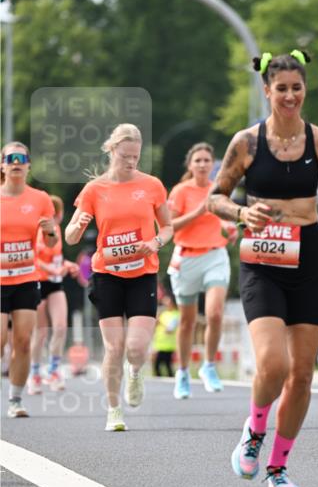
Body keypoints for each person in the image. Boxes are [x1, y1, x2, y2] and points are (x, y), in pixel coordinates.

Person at [208, 49, 318, 487]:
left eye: (297, 88)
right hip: (262, 263)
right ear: (267, 90)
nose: (291, 96)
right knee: (273, 364)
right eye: (282, 89)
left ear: (304, 90)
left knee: (302, 375)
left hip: (309, 260)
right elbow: (214, 198)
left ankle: (278, 467)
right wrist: (240, 211)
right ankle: (254, 431)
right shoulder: (247, 143)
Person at [65, 124, 173, 431]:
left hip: (142, 274)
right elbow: (70, 236)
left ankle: (135, 372)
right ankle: (114, 410)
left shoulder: (151, 185)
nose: (131, 162)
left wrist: (155, 243)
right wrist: (79, 225)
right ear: (112, 151)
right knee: (114, 347)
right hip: (107, 274)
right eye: (125, 156)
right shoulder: (94, 189)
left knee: (136, 347)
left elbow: (167, 227)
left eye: (136, 157)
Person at [167, 142, 237, 398]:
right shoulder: (180, 191)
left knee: (215, 313)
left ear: (213, 164)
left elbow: (228, 219)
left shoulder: (219, 190)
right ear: (190, 165)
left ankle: (208, 366)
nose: (202, 164)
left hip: (215, 256)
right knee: (186, 322)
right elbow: (169, 226)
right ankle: (183, 373)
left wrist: (231, 230)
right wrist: (197, 212)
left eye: (207, 160)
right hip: (186, 258)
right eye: (198, 160)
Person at [1, 142, 57, 417]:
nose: (15, 162)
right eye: (10, 158)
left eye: (21, 158)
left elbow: (53, 239)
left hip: (26, 277)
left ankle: (15, 400)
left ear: (28, 165)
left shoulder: (40, 199)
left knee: (23, 341)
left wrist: (50, 231)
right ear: (2, 165)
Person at [28, 195, 79, 394]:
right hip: (38, 282)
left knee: (60, 327)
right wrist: (51, 269)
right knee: (40, 333)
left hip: (55, 284)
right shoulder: (34, 229)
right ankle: (34, 374)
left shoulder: (55, 231)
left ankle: (54, 370)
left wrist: (68, 265)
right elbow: (32, 256)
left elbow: (57, 258)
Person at [152, 291, 180, 377]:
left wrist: (161, 322)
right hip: (159, 344)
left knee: (167, 365)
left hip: (168, 346)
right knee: (156, 366)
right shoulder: (163, 314)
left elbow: (170, 329)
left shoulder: (176, 314)